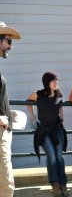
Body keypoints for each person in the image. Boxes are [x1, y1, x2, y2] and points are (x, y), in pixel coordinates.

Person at [27, 72, 68, 197]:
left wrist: (62, 116)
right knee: (51, 155)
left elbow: (60, 105)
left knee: (59, 156)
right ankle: (55, 184)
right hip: (44, 131)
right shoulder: (38, 94)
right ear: (47, 82)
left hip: (57, 130)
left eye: (57, 80)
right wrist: (33, 117)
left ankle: (63, 184)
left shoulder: (59, 94)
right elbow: (28, 101)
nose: (56, 83)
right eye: (53, 81)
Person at [0, 22, 21, 197]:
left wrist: (8, 113)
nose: (10, 46)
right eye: (8, 40)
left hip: (4, 129)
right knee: (5, 180)